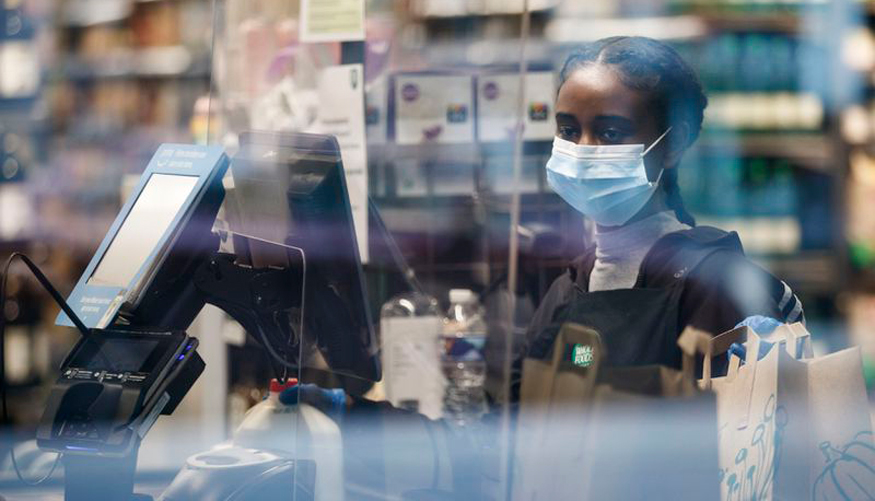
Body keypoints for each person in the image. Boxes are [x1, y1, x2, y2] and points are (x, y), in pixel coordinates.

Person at [512, 36, 804, 397]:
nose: (583, 151)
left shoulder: (715, 285)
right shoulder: (568, 290)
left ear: (674, 142)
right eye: (569, 131)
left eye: (610, 133)